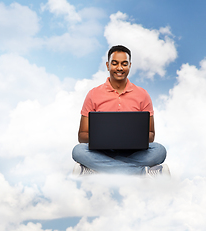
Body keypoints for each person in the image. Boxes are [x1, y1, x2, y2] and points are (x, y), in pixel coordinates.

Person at [72, 45, 170, 176]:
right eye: (115, 63)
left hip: (134, 152)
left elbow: (151, 134)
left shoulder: (143, 95)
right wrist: (105, 138)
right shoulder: (93, 94)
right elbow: (82, 135)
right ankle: (142, 172)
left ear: (130, 66)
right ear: (108, 66)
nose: (119, 68)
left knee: (159, 150)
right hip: (101, 151)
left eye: (124, 64)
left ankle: (98, 168)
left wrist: (132, 138)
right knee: (78, 151)